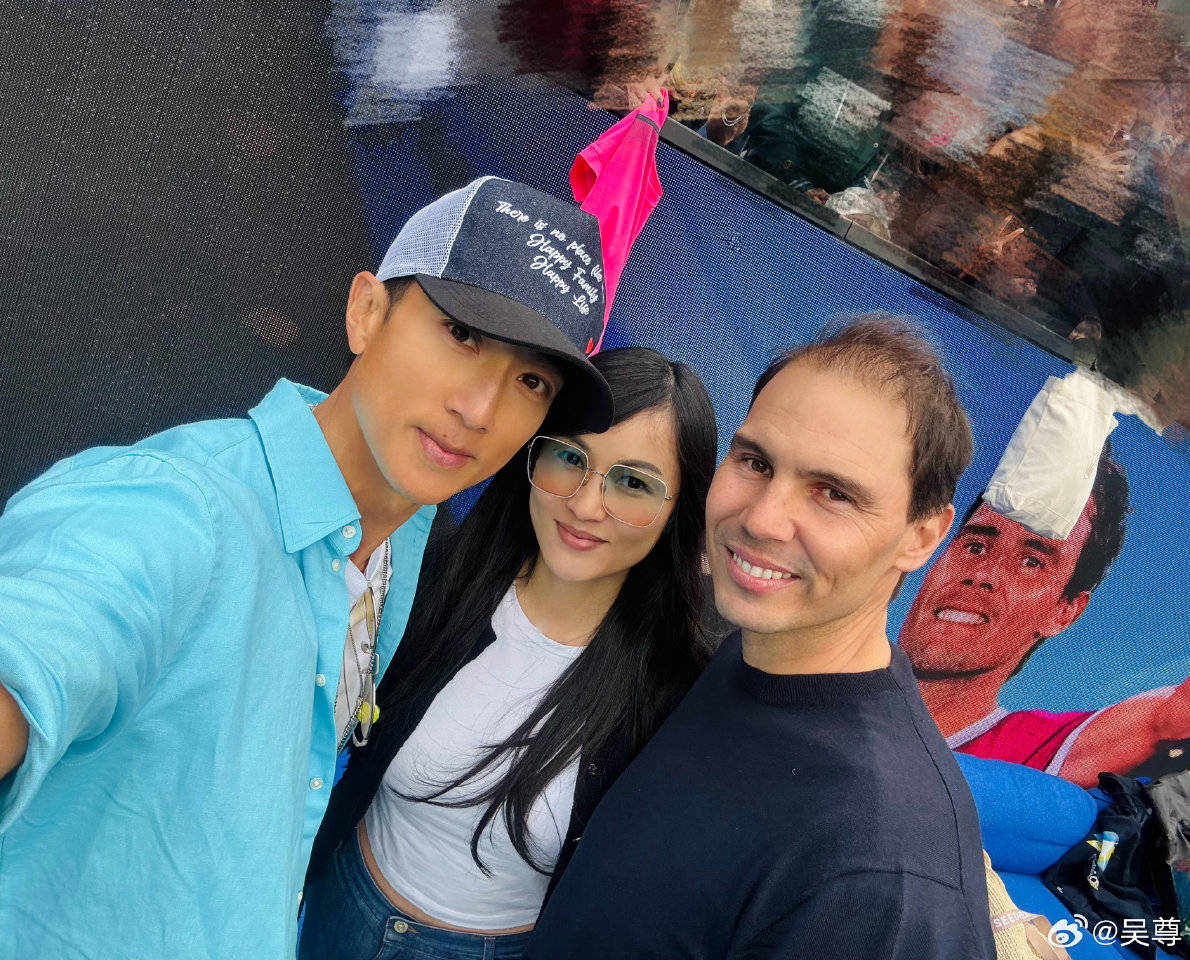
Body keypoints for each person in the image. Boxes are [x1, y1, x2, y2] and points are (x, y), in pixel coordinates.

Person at [0, 176, 614, 960]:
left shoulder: (402, 539)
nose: (481, 410)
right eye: (462, 334)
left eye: (532, 381)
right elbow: (48, 635)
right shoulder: (181, 511)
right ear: (367, 313)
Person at [526, 316, 995, 960]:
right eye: (755, 462)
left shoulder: (881, 877)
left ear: (921, 536)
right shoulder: (747, 651)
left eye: (833, 493)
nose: (763, 519)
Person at [299, 346, 717, 960]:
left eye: (633, 483)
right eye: (570, 457)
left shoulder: (678, 693)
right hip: (341, 901)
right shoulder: (433, 578)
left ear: (679, 510)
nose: (585, 505)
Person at [900, 450, 1190, 786]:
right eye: (976, 546)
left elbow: (1175, 715)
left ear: (1064, 611)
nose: (983, 574)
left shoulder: (1045, 748)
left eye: (1031, 562)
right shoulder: (841, 667)